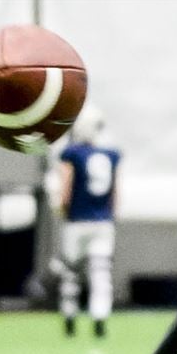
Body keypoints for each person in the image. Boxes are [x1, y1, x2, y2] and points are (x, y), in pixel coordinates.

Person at [54, 105, 121, 338]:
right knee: (101, 273)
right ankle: (100, 317)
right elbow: (115, 194)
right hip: (103, 221)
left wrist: (62, 210)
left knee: (71, 273)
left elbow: (66, 189)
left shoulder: (72, 153)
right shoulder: (111, 155)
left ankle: (70, 316)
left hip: (77, 221)